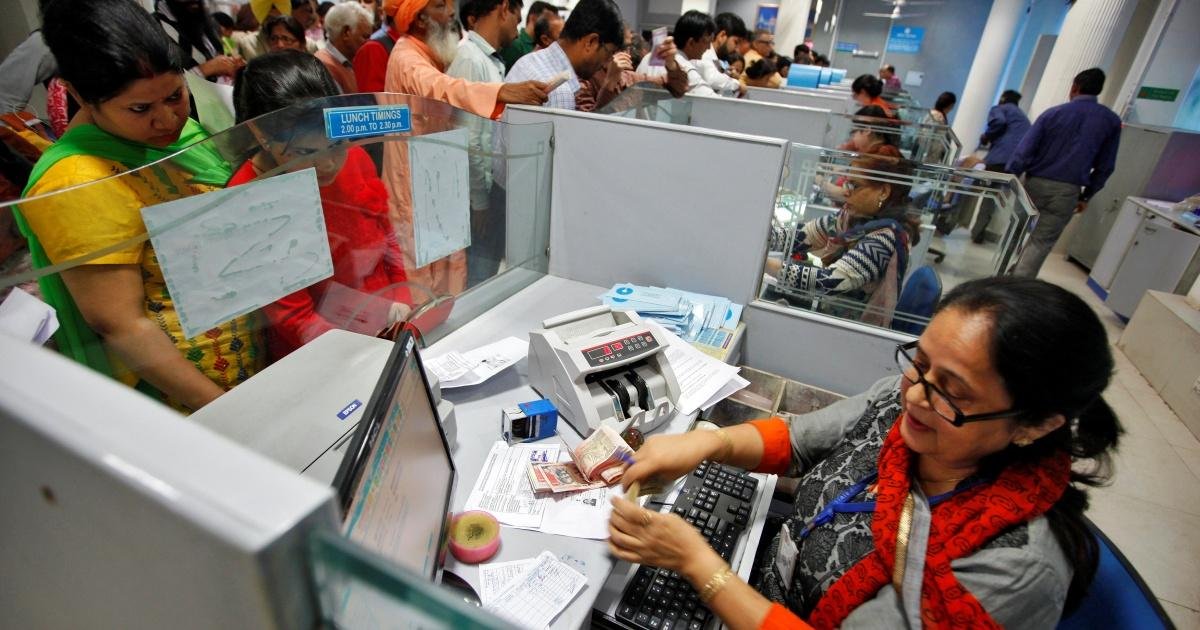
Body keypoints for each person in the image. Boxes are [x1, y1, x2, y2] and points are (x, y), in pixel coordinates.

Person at [610, 275, 1121, 628]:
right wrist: (708, 442)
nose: (915, 396)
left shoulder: (1011, 570)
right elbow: (798, 440)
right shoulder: (905, 405)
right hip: (760, 586)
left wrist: (701, 566)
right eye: (920, 363)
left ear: (1034, 424)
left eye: (953, 392)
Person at [17, 0, 262, 412]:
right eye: (140, 109)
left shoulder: (178, 138)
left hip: (251, 360)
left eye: (175, 95)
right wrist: (226, 411)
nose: (167, 120)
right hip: (187, 402)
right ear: (80, 96)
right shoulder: (78, 180)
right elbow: (121, 325)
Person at [228, 51, 411, 360]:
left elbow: (387, 236)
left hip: (388, 322)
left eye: (336, 144)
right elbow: (294, 317)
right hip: (322, 352)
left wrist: (403, 304)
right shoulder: (248, 197)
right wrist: (363, 354)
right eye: (304, 152)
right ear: (261, 134)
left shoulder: (355, 158)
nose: (328, 163)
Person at [381, 0, 548, 298]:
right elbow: (440, 88)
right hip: (414, 182)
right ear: (420, 19)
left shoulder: (427, 54)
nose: (450, 13)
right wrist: (500, 92)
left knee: (444, 269)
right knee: (422, 275)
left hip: (433, 179)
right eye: (440, 6)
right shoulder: (407, 57)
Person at [765, 146, 917, 326]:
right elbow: (802, 236)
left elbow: (829, 281)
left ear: (883, 192)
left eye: (855, 185)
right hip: (826, 313)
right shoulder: (853, 217)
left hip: (847, 329)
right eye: (847, 183)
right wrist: (759, 236)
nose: (845, 192)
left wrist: (763, 263)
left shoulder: (885, 239)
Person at [1007, 68, 1121, 278]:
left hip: (1033, 184)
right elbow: (1106, 166)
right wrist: (1086, 196)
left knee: (1015, 231)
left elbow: (1023, 152)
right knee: (1041, 242)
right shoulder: (1111, 121)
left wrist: (1010, 178)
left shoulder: (1053, 114)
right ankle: (1016, 287)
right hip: (1067, 191)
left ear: (1075, 87)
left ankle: (1000, 276)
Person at [446, 0, 524, 285]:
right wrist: (479, 201)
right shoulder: (470, 59)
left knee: (484, 274)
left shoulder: (487, 60)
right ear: (503, 9)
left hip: (483, 191)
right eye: (516, 17)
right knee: (476, 279)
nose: (517, 27)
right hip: (474, 197)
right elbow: (467, 137)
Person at [506, 0, 625, 110]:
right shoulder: (559, 92)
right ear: (591, 42)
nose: (607, 62)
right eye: (609, 53)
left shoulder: (527, 61)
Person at [575, 24, 687, 113]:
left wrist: (671, 64)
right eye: (618, 47)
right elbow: (588, 124)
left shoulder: (631, 78)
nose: (624, 52)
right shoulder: (585, 81)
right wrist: (610, 82)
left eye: (627, 47)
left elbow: (677, 89)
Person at [972, 90, 1031, 243]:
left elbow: (998, 122)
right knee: (994, 197)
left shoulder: (1000, 109)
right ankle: (981, 232)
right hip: (1015, 165)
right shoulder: (1023, 118)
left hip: (998, 160)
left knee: (970, 185)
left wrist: (986, 136)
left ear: (1003, 99)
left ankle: (950, 221)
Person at [153, 0, 242, 81]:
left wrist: (229, 64)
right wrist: (205, 69)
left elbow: (215, 56)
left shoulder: (204, 19)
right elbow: (161, 87)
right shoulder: (154, 28)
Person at [634, 10, 716, 97]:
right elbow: (713, 100)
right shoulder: (685, 68)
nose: (709, 48)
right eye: (707, 42)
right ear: (691, 43)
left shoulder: (647, 57)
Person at [315, 1, 374, 93]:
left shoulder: (348, 61)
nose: (369, 42)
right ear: (346, 33)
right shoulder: (323, 66)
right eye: (365, 37)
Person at [499, 0, 560, 71]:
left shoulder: (544, 45)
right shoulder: (515, 44)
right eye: (548, 19)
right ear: (533, 18)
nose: (552, 24)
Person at [696, 12, 746, 97]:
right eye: (736, 42)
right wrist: (737, 84)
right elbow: (712, 79)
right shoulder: (705, 53)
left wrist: (730, 75)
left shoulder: (718, 59)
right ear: (722, 35)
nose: (737, 49)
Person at [921, 91, 956, 163]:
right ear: (951, 105)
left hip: (927, 155)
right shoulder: (938, 117)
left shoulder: (932, 113)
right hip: (929, 156)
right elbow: (929, 138)